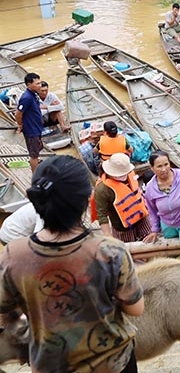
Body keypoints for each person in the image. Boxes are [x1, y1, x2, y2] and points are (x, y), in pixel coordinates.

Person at [0, 156, 144, 373]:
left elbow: (6, 312)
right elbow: (135, 308)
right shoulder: (110, 250)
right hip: (113, 364)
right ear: (87, 200)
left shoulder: (12, 255)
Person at [142, 151, 180, 256]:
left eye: (166, 164)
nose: (164, 169)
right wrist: (155, 229)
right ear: (152, 168)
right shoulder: (150, 187)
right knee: (170, 255)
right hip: (167, 225)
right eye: (159, 166)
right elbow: (152, 210)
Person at [94, 152, 152, 242]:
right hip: (122, 228)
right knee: (127, 250)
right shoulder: (103, 190)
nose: (124, 176)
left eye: (125, 173)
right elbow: (101, 214)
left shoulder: (130, 175)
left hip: (142, 219)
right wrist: (108, 236)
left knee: (150, 241)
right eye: (120, 174)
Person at [15, 72, 43, 172]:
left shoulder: (34, 94)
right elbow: (18, 113)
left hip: (37, 127)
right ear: (28, 85)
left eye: (40, 83)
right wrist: (20, 125)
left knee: (37, 151)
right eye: (37, 84)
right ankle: (35, 176)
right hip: (31, 130)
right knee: (34, 155)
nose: (40, 86)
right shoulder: (26, 97)